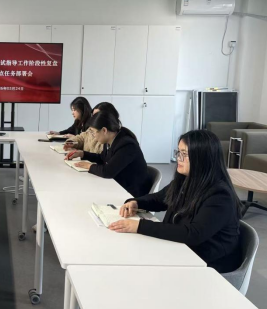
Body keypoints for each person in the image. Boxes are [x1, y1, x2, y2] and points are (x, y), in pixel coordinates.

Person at [110, 130, 242, 273]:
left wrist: (139, 226)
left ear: (202, 157)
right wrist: (136, 203)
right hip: (180, 251)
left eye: (184, 154)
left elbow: (192, 234)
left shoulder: (220, 196)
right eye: (178, 152)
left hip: (207, 267)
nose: (178, 158)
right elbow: (160, 198)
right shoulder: (187, 180)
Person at [67, 111, 149, 197]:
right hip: (117, 184)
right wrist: (82, 154)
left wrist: (89, 166)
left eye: (93, 132)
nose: (93, 136)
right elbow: (102, 158)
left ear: (104, 130)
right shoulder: (110, 140)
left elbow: (107, 172)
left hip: (130, 193)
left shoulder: (126, 145)